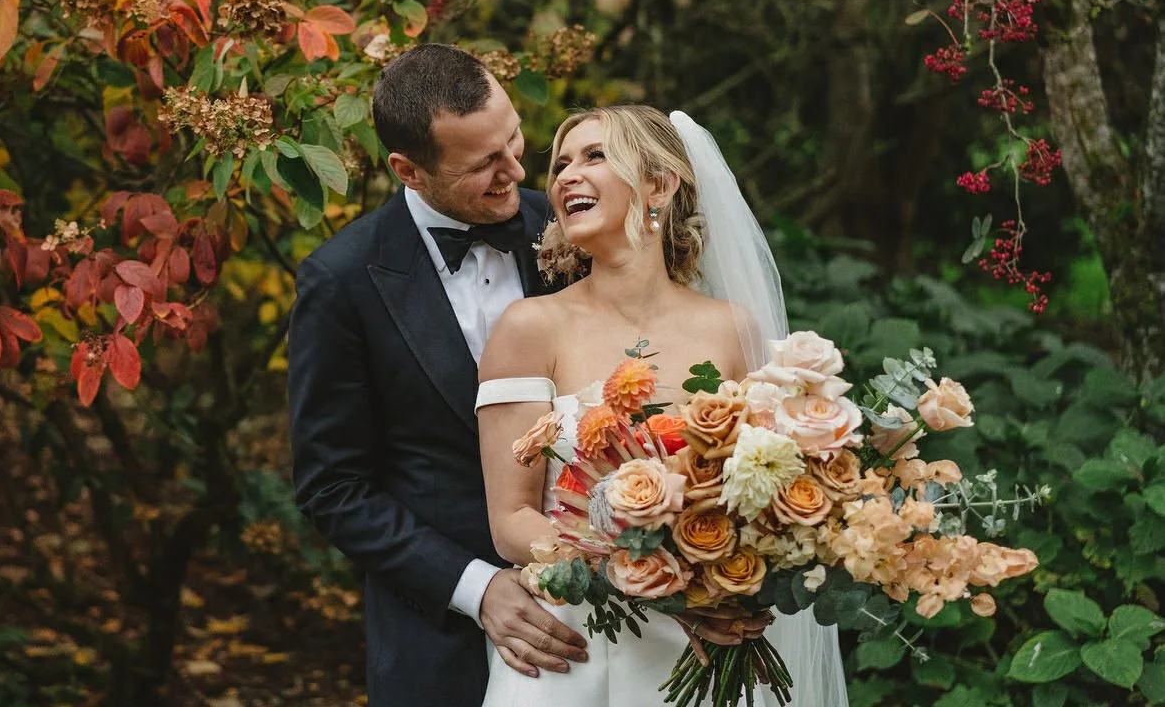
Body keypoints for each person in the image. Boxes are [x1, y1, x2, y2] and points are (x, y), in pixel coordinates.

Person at [474, 105, 849, 707]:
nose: (567, 175)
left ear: (660, 183)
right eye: (561, 163)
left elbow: (769, 488)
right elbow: (512, 520)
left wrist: (734, 580)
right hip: (576, 646)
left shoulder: (732, 329)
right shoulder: (529, 327)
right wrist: (656, 588)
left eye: (595, 156)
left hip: (709, 642)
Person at [287, 44, 588, 707]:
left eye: (514, 141)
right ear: (409, 171)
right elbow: (332, 487)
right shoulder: (340, 282)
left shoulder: (571, 229)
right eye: (485, 164)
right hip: (437, 644)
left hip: (604, 622)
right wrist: (477, 589)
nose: (516, 171)